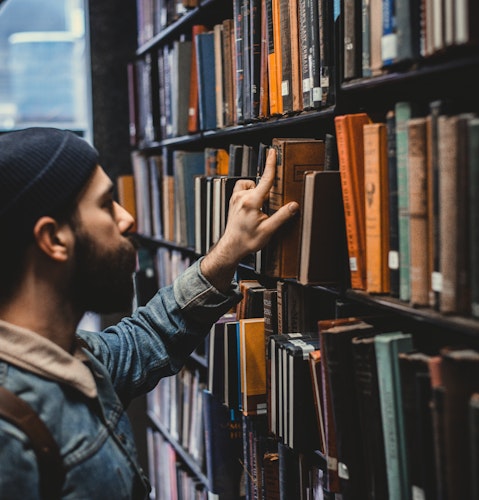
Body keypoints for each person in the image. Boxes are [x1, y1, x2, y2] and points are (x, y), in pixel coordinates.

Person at [0, 127, 299, 499]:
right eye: (106, 204)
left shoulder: (72, 357)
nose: (126, 219)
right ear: (53, 239)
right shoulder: (9, 434)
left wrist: (226, 253)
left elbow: (148, 337)